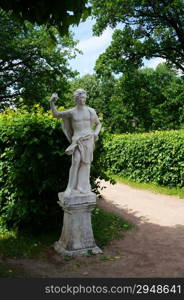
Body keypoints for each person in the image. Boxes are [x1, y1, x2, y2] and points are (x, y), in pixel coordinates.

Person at [50, 89, 101, 197]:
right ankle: (70, 187)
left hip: (88, 139)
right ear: (76, 99)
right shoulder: (72, 112)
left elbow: (98, 124)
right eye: (80, 98)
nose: (83, 99)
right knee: (76, 161)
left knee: (86, 164)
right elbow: (56, 114)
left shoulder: (90, 111)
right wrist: (52, 102)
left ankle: (82, 187)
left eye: (84, 97)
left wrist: (96, 133)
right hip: (77, 140)